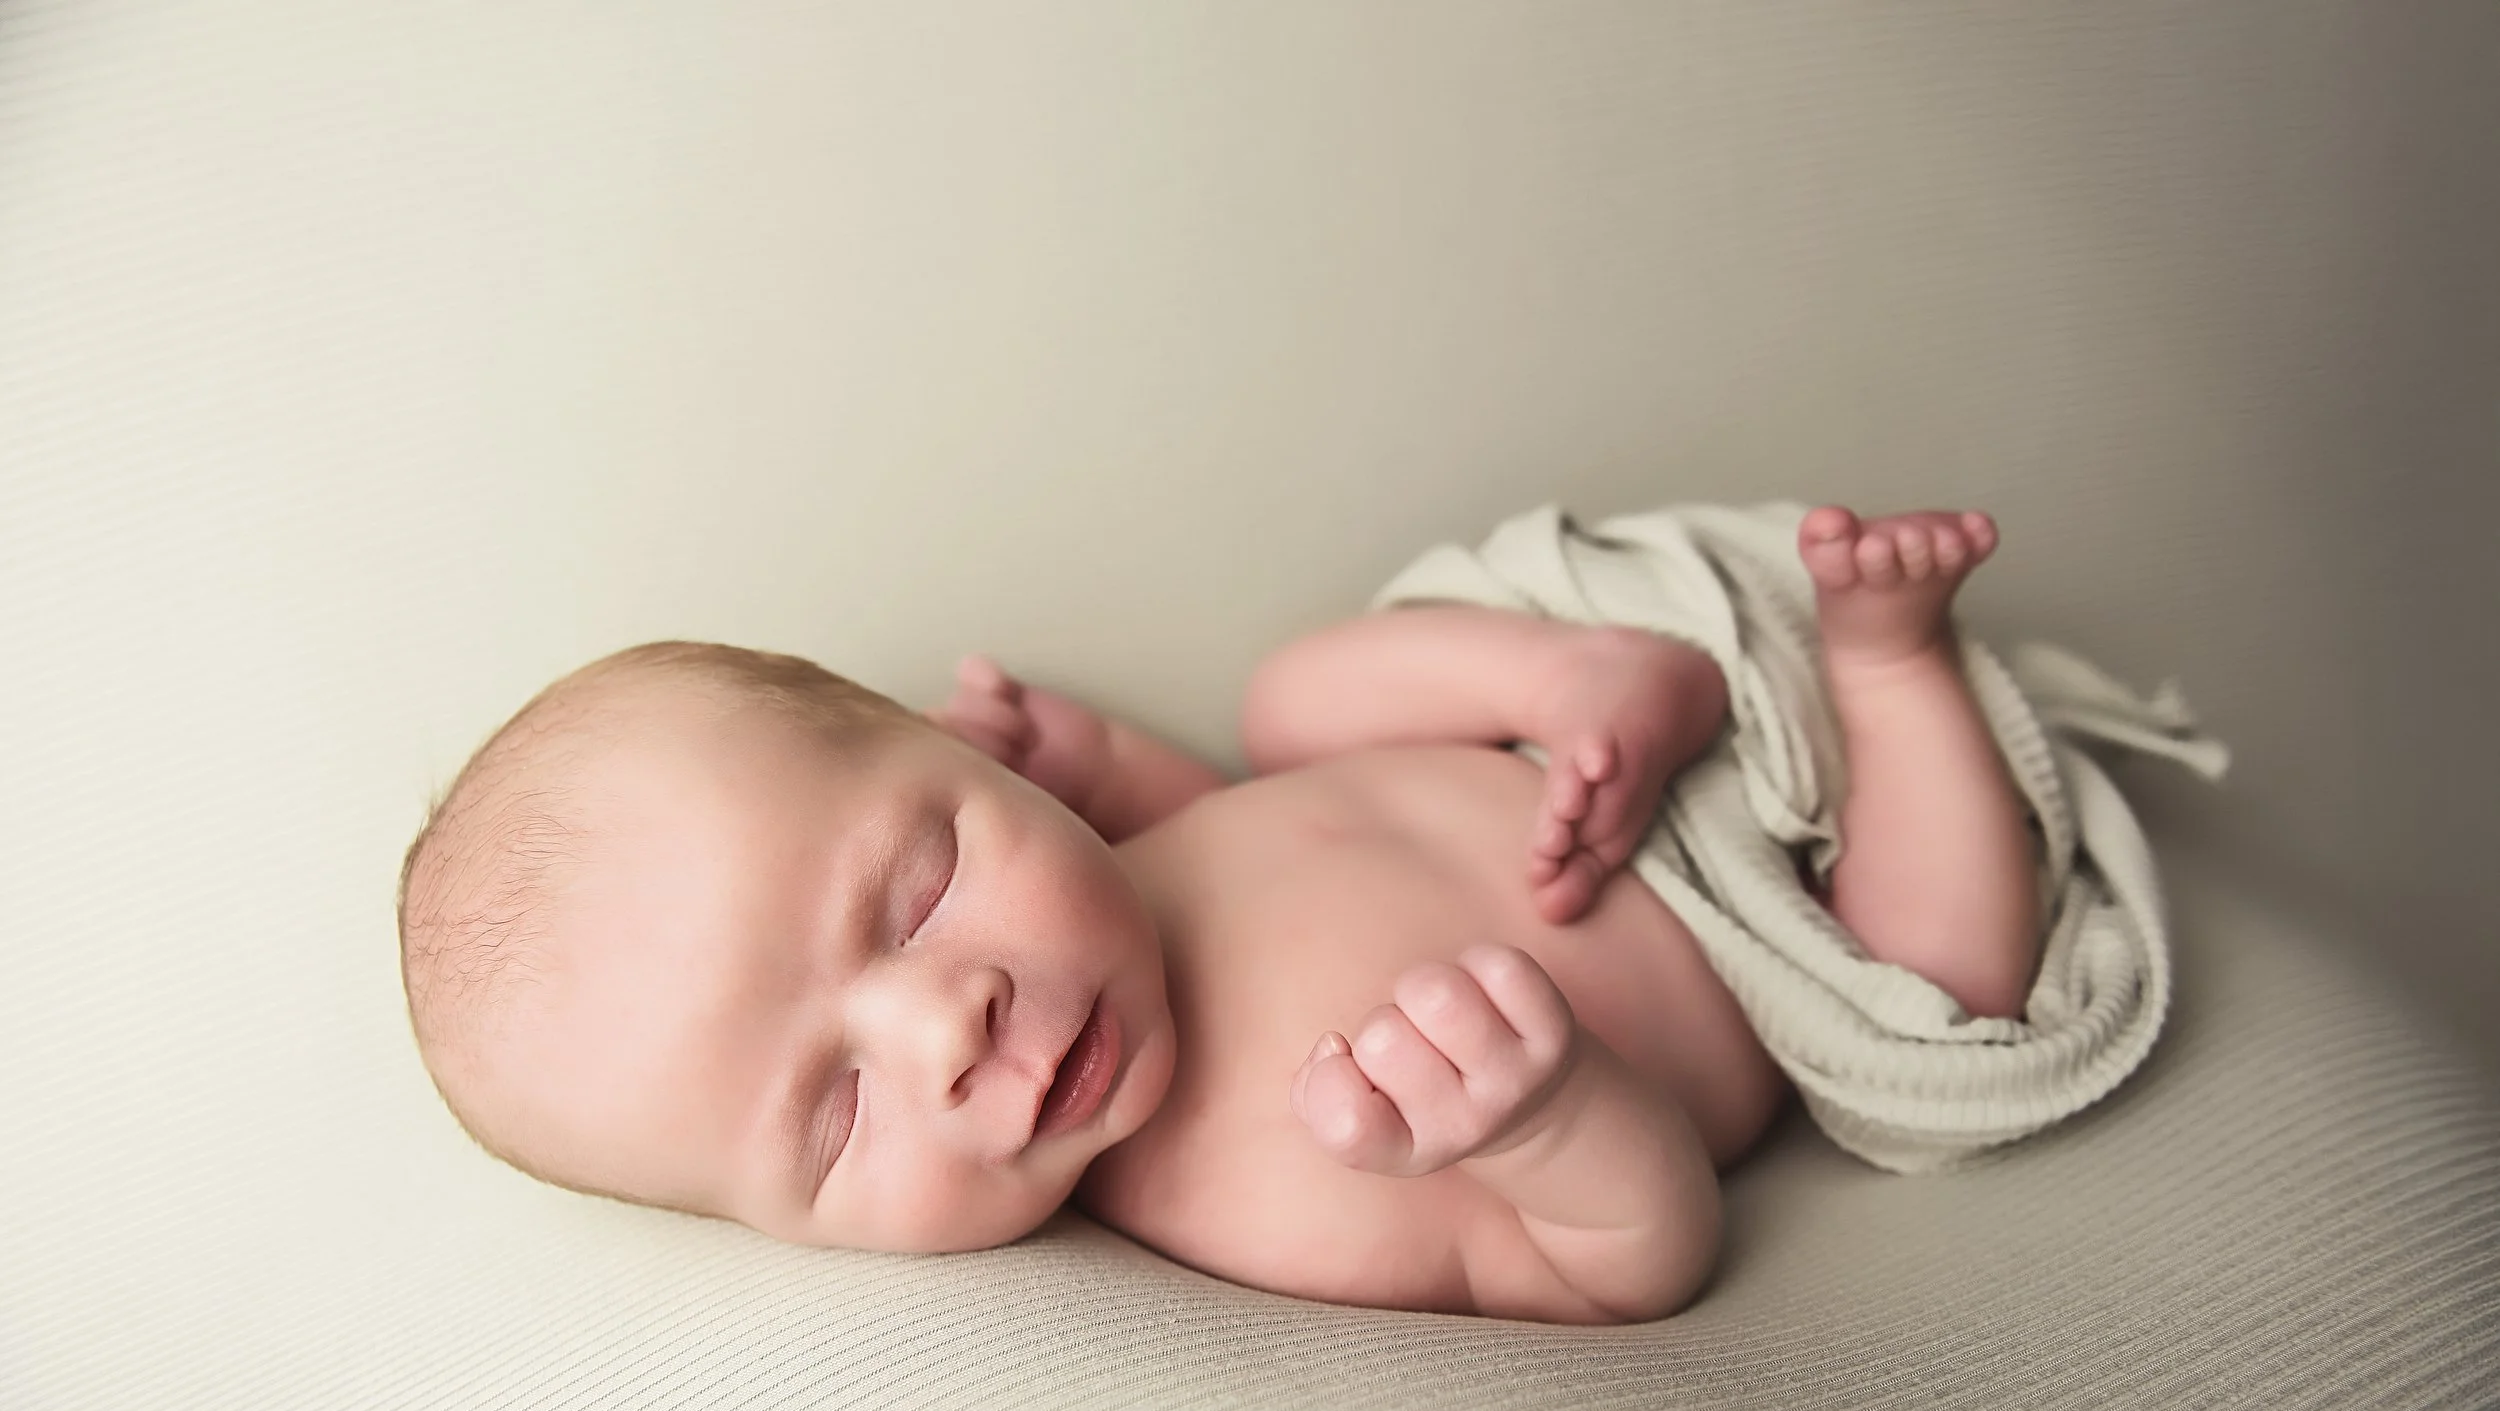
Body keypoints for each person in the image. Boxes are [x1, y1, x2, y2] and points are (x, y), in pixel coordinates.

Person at [396, 505, 2039, 1324]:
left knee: (1295, 697)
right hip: (1777, 955)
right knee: (1950, 980)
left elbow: (1248, 836)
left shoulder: (1126, 884)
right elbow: (1634, 1265)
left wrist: (1100, 759)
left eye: (919, 886)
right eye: (835, 1119)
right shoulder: (1264, 1201)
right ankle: (1894, 674)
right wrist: (1548, 1122)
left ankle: (1596, 671)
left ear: (961, 749)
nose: (941, 1024)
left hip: (1549, 765)